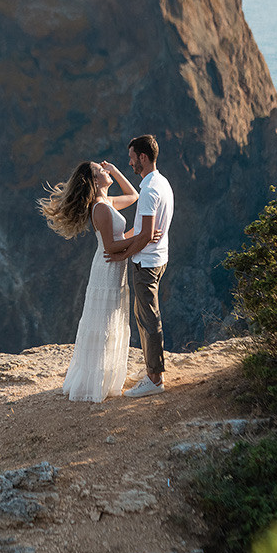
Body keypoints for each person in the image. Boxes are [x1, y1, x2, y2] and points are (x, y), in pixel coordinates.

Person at [38, 159, 139, 402]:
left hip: (113, 264)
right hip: (107, 267)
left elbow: (133, 195)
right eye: (101, 170)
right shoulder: (101, 207)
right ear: (94, 180)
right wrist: (141, 235)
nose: (105, 171)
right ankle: (93, 384)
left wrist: (115, 171)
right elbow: (111, 246)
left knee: (109, 320)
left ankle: (103, 378)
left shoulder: (106, 202)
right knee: (102, 322)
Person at [105, 134, 174, 397]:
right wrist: (127, 241)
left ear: (142, 157)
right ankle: (151, 368)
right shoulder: (162, 183)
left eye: (132, 159)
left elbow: (145, 235)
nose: (131, 163)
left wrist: (123, 255)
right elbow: (146, 230)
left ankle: (155, 380)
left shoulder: (148, 190)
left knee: (148, 318)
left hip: (146, 263)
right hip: (158, 257)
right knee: (143, 315)